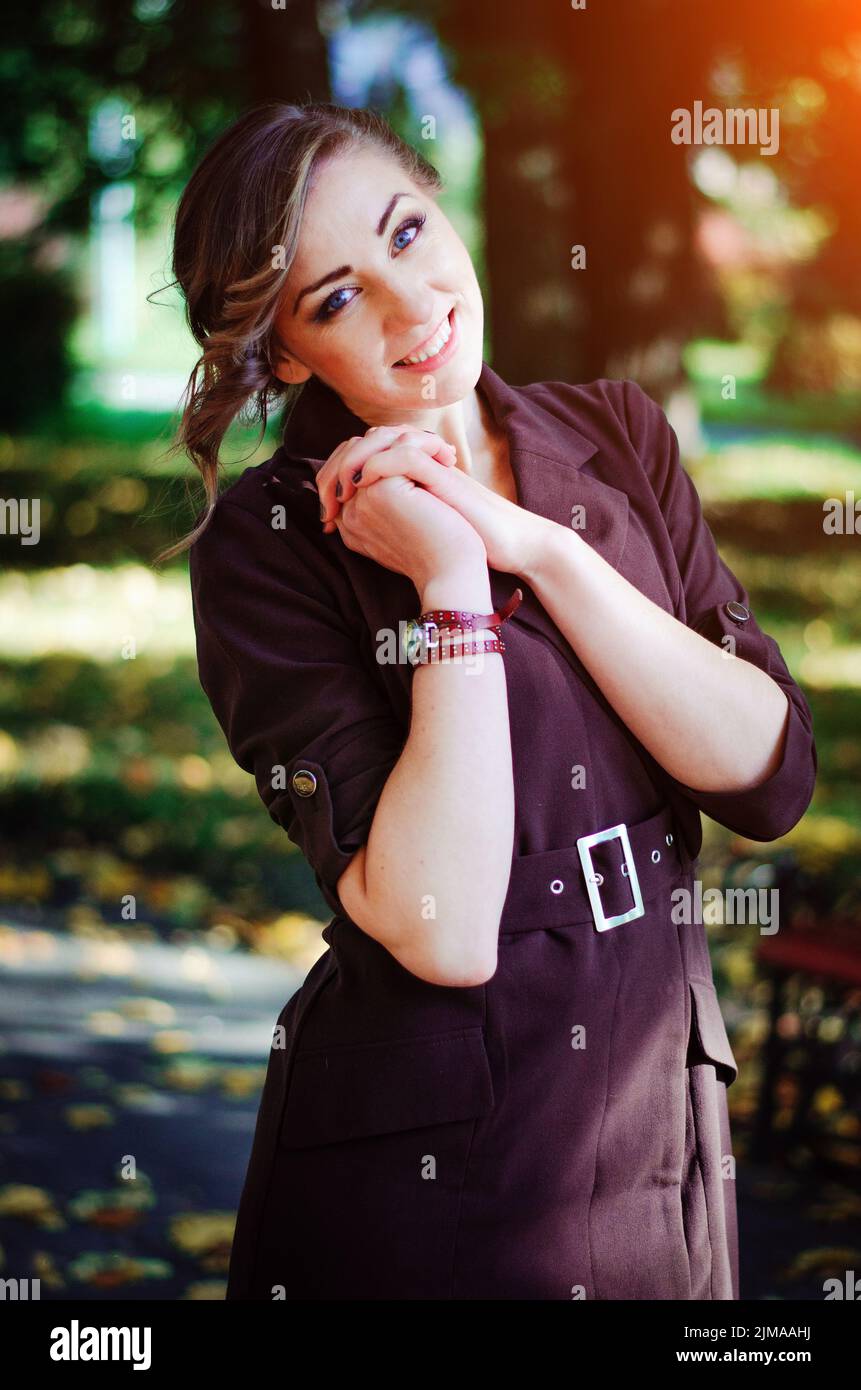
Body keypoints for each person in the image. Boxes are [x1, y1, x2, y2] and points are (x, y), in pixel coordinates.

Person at [164, 101, 817, 1300]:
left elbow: (769, 774)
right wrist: (454, 582)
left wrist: (544, 551)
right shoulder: (266, 546)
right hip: (437, 1162)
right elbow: (443, 925)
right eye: (338, 296)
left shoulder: (619, 436)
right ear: (292, 356)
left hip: (657, 1106)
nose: (414, 307)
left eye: (408, 233)